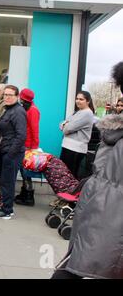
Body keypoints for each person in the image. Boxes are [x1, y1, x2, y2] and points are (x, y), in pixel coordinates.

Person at [51, 61, 123, 279]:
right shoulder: (113, 132)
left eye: (81, 98)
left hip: (105, 223)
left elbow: (67, 126)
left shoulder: (98, 123)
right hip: (99, 219)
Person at [0, 85, 26, 219]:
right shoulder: (8, 109)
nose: (7, 97)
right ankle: (5, 205)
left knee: (8, 182)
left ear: (17, 97)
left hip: (12, 153)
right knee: (4, 181)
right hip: (4, 150)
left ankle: (7, 211)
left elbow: (21, 136)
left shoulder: (18, 111)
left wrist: (10, 154)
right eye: (5, 95)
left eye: (10, 95)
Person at [60, 91, 95, 179]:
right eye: (77, 98)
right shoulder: (78, 112)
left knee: (70, 176)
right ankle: (66, 192)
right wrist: (65, 125)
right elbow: (62, 124)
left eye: (81, 99)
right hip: (69, 146)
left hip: (75, 149)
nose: (78, 101)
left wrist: (66, 125)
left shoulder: (87, 113)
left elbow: (67, 129)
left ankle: (70, 193)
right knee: (65, 174)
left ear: (88, 101)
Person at [15, 88, 40, 206]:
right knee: (23, 170)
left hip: (28, 146)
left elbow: (34, 130)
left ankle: (29, 196)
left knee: (25, 172)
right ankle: (25, 193)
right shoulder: (29, 108)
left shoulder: (33, 110)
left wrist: (34, 147)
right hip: (25, 144)